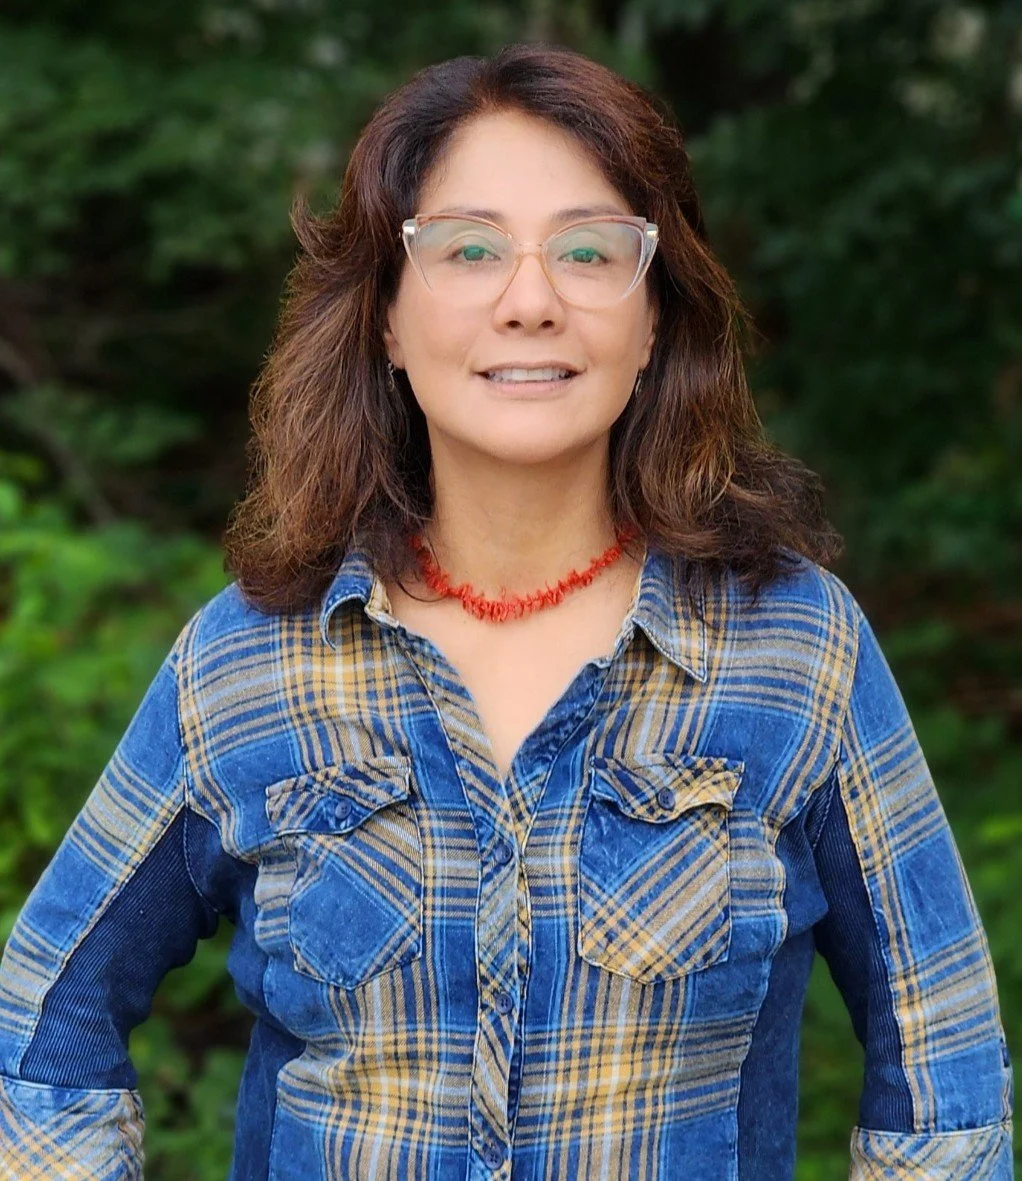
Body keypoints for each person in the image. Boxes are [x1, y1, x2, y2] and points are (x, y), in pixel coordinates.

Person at [0, 40, 1013, 1181]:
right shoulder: (246, 662)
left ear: (653, 319)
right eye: (469, 249)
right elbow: (38, 1028)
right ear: (387, 317)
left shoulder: (795, 648)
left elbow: (943, 1069)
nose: (530, 301)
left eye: (588, 251)